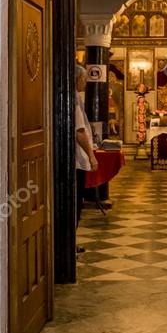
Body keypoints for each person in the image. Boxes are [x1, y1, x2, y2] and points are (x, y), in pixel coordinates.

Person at [75, 63, 98, 229]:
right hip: (77, 158)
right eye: (83, 78)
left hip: (78, 157)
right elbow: (80, 131)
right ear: (77, 79)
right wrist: (91, 155)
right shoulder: (74, 99)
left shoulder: (77, 98)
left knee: (78, 200)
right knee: (76, 201)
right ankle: (69, 247)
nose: (85, 82)